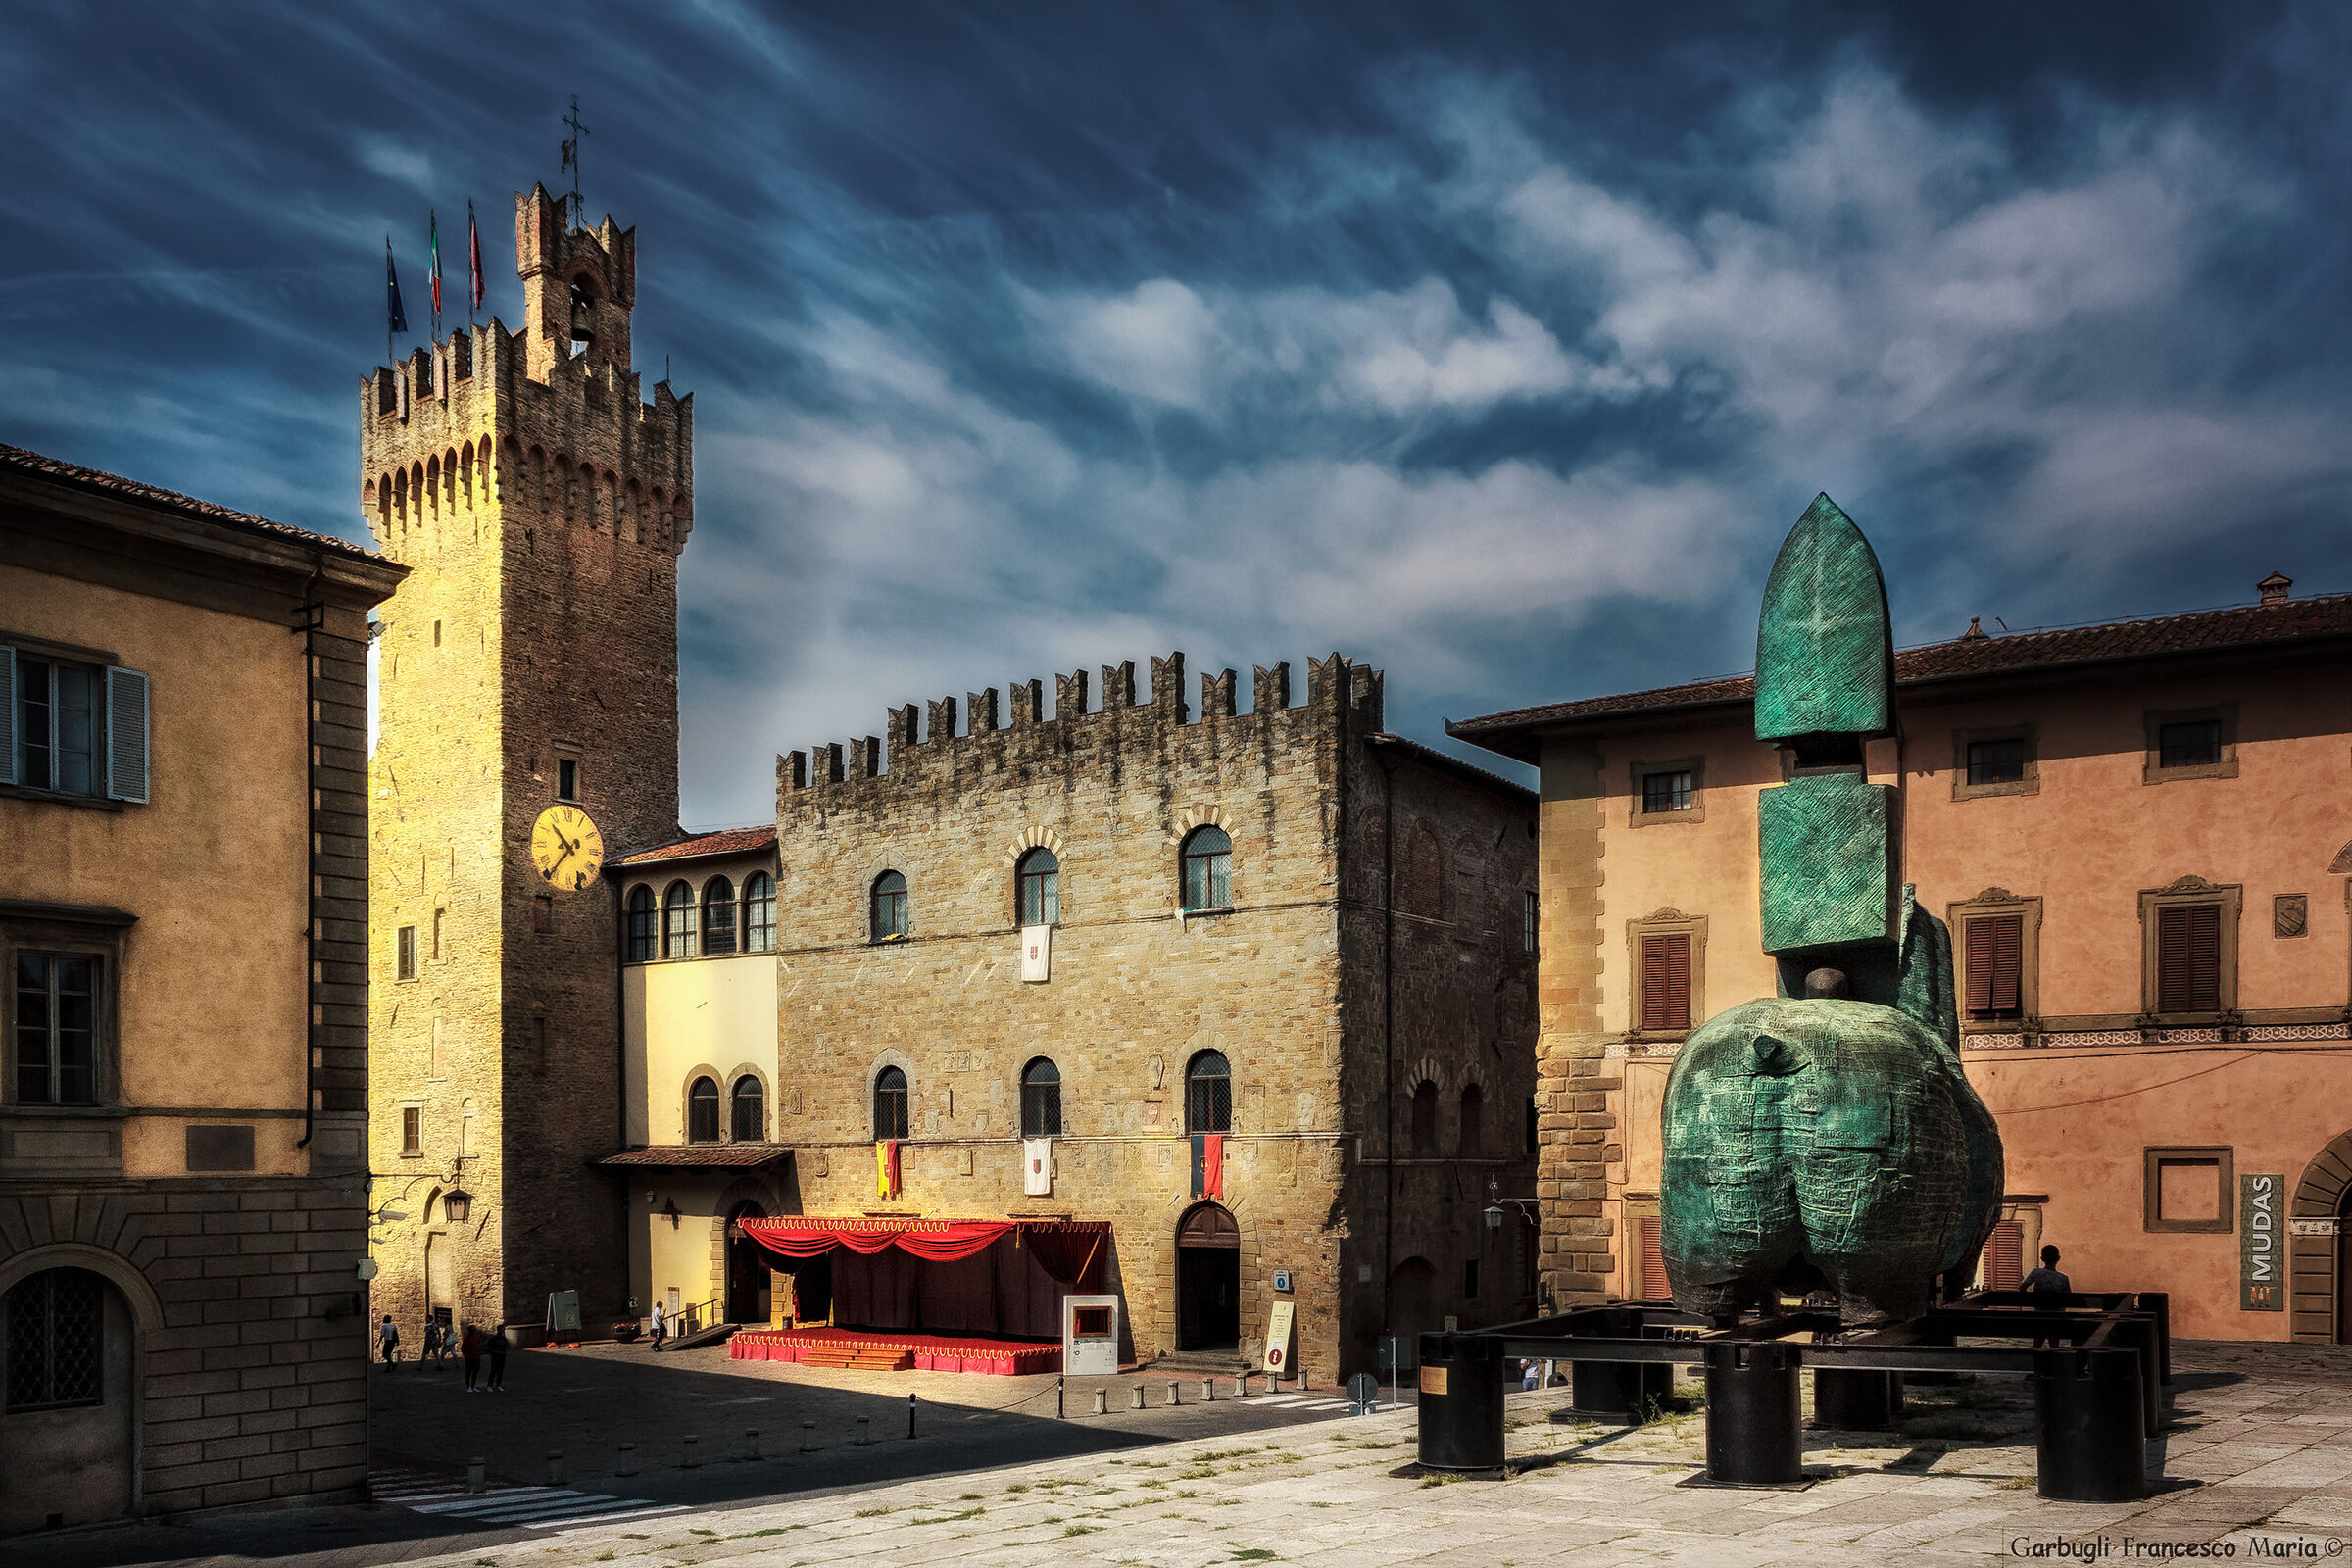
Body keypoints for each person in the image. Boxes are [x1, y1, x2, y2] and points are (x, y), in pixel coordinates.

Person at [2022, 1245, 2072, 1348]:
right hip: (2056, 1316)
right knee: (2054, 1341)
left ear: (2042, 1259)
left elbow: (2022, 1288)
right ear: (2058, 1258)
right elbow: (2069, 1298)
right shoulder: (2063, 1278)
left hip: (2040, 1314)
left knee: (2038, 1340)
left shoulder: (2036, 1272)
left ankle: (2036, 1356)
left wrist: (2033, 1301)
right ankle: (2054, 1355)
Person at [460, 1324, 484, 1392]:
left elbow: (478, 1345)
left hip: (476, 1357)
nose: (474, 1331)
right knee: (469, 1372)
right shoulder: (467, 1339)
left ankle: (473, 1386)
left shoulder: (476, 1337)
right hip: (469, 1358)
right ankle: (468, 1386)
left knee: (475, 1372)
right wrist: (466, 1356)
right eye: (473, 1330)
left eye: (474, 1329)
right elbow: (463, 1348)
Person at [486, 1327, 510, 1392]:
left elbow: (506, 1345)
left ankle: (498, 1385)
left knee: (500, 1372)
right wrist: (497, 1352)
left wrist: (505, 1351)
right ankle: (489, 1385)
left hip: (502, 1357)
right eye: (501, 1329)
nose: (502, 1331)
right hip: (495, 1357)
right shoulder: (493, 1339)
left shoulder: (503, 1338)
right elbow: (490, 1349)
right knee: (493, 1371)